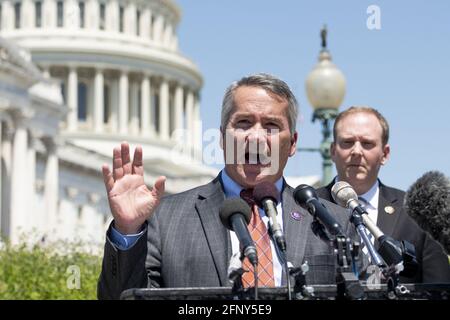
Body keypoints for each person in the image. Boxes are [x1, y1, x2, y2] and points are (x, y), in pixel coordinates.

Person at [97, 73, 365, 300]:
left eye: (271, 126)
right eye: (243, 123)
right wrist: (128, 230)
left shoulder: (333, 223)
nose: (256, 137)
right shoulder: (165, 218)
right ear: (223, 137)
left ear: (292, 143)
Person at [316, 106, 450, 283]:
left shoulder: (418, 211)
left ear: (385, 154)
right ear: (333, 150)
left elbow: (438, 287)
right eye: (347, 142)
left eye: (367, 143)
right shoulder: (307, 207)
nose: (356, 151)